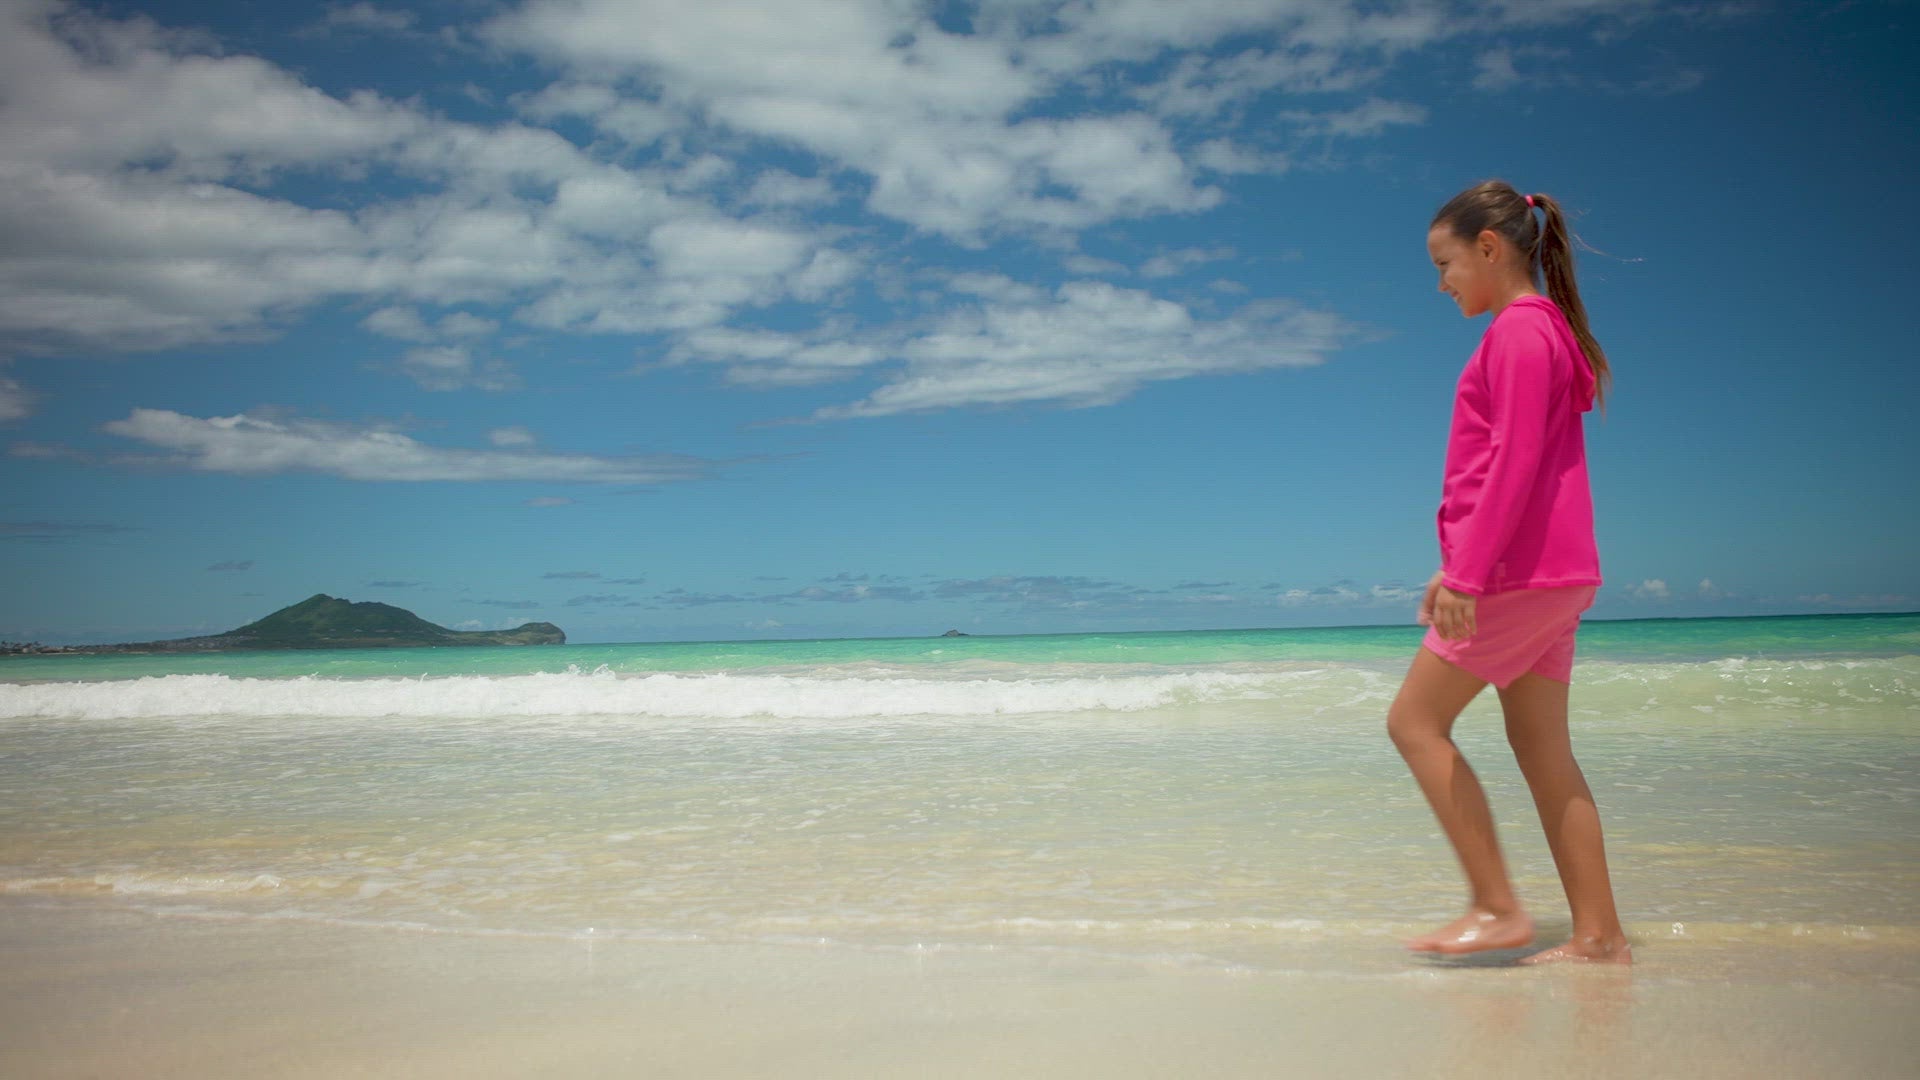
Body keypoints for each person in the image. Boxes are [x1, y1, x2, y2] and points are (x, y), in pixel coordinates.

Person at [1386, 179, 1631, 964]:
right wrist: (1452, 563)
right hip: (1552, 573)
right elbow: (1504, 468)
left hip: (1519, 574)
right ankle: (1598, 939)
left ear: (1488, 248)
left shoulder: (1521, 332)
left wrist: (1470, 575)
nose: (1441, 282)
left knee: (1414, 724)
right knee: (1542, 750)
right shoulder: (1544, 330)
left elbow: (1515, 462)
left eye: (1446, 263)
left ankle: (1497, 909)